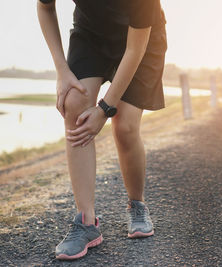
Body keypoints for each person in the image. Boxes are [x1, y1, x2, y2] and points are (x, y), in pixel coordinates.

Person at [37, 0, 167, 260]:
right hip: (91, 35)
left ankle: (137, 205)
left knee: (125, 125)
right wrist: (62, 71)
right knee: (74, 105)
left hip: (142, 42)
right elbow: (45, 7)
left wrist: (105, 109)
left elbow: (134, 48)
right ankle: (86, 222)